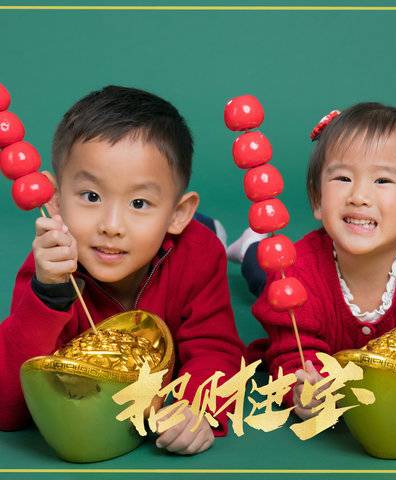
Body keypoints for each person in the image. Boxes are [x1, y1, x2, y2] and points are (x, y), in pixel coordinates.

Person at [0, 85, 245, 454]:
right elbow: (8, 408)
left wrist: (198, 407)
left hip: (188, 241)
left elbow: (216, 349)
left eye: (139, 202)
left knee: (215, 244)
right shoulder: (50, 268)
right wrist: (47, 294)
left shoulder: (198, 254)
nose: (112, 225)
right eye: (92, 197)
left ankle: (237, 241)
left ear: (179, 213)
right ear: (53, 200)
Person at [230, 103, 396, 422]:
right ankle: (250, 243)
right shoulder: (295, 270)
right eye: (343, 178)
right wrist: (302, 387)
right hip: (292, 264)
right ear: (317, 199)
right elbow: (291, 351)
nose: (359, 195)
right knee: (263, 269)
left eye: (383, 181)